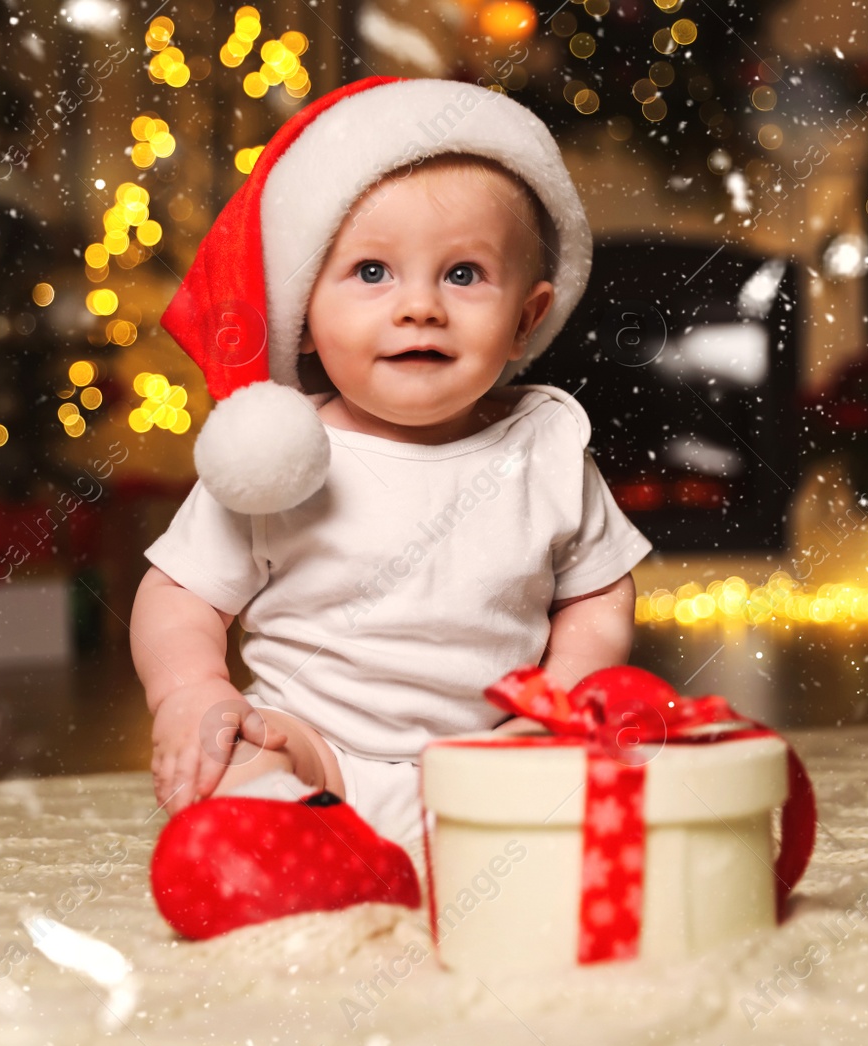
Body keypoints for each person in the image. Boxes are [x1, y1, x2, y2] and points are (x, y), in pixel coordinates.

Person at [133, 77, 652, 930]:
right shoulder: (281, 452)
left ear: (528, 318)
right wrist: (190, 690)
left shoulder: (547, 445)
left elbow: (596, 590)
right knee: (235, 773)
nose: (420, 305)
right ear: (306, 310)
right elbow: (181, 591)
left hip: (489, 755)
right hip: (310, 743)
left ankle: (445, 865)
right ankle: (297, 846)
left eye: (464, 273)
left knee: (608, 801)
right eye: (371, 271)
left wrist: (565, 693)